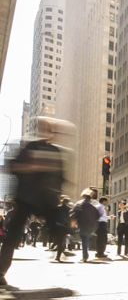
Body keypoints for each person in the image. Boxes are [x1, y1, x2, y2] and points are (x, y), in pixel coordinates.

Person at [0, 117, 69, 285]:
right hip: (26, 198)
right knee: (13, 235)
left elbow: (61, 177)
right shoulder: (28, 147)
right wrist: (30, 167)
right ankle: (1, 271)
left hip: (47, 200)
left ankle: (61, 248)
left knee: (58, 227)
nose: (47, 132)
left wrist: (58, 195)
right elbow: (12, 167)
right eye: (44, 128)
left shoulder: (56, 151)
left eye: (50, 129)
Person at [71, 189, 100, 263]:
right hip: (91, 227)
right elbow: (98, 216)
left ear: (84, 198)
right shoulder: (93, 207)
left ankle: (85, 257)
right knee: (85, 240)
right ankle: (85, 256)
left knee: (84, 241)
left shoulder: (79, 205)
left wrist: (74, 224)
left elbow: (73, 215)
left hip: (82, 226)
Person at [52, 196, 71, 262]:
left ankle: (57, 255)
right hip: (64, 227)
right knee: (61, 241)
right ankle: (58, 255)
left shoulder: (57, 208)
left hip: (57, 226)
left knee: (59, 241)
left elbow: (53, 217)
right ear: (67, 202)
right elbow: (69, 219)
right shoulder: (69, 209)